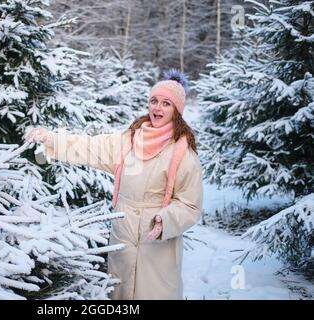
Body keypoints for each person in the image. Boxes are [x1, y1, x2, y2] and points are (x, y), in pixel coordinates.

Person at [26, 70, 203, 300]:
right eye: (154, 101)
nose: (158, 108)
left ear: (176, 110)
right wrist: (51, 139)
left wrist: (166, 219)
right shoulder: (129, 140)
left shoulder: (184, 154)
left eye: (166, 104)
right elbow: (89, 147)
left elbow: (190, 205)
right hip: (123, 238)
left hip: (157, 245)